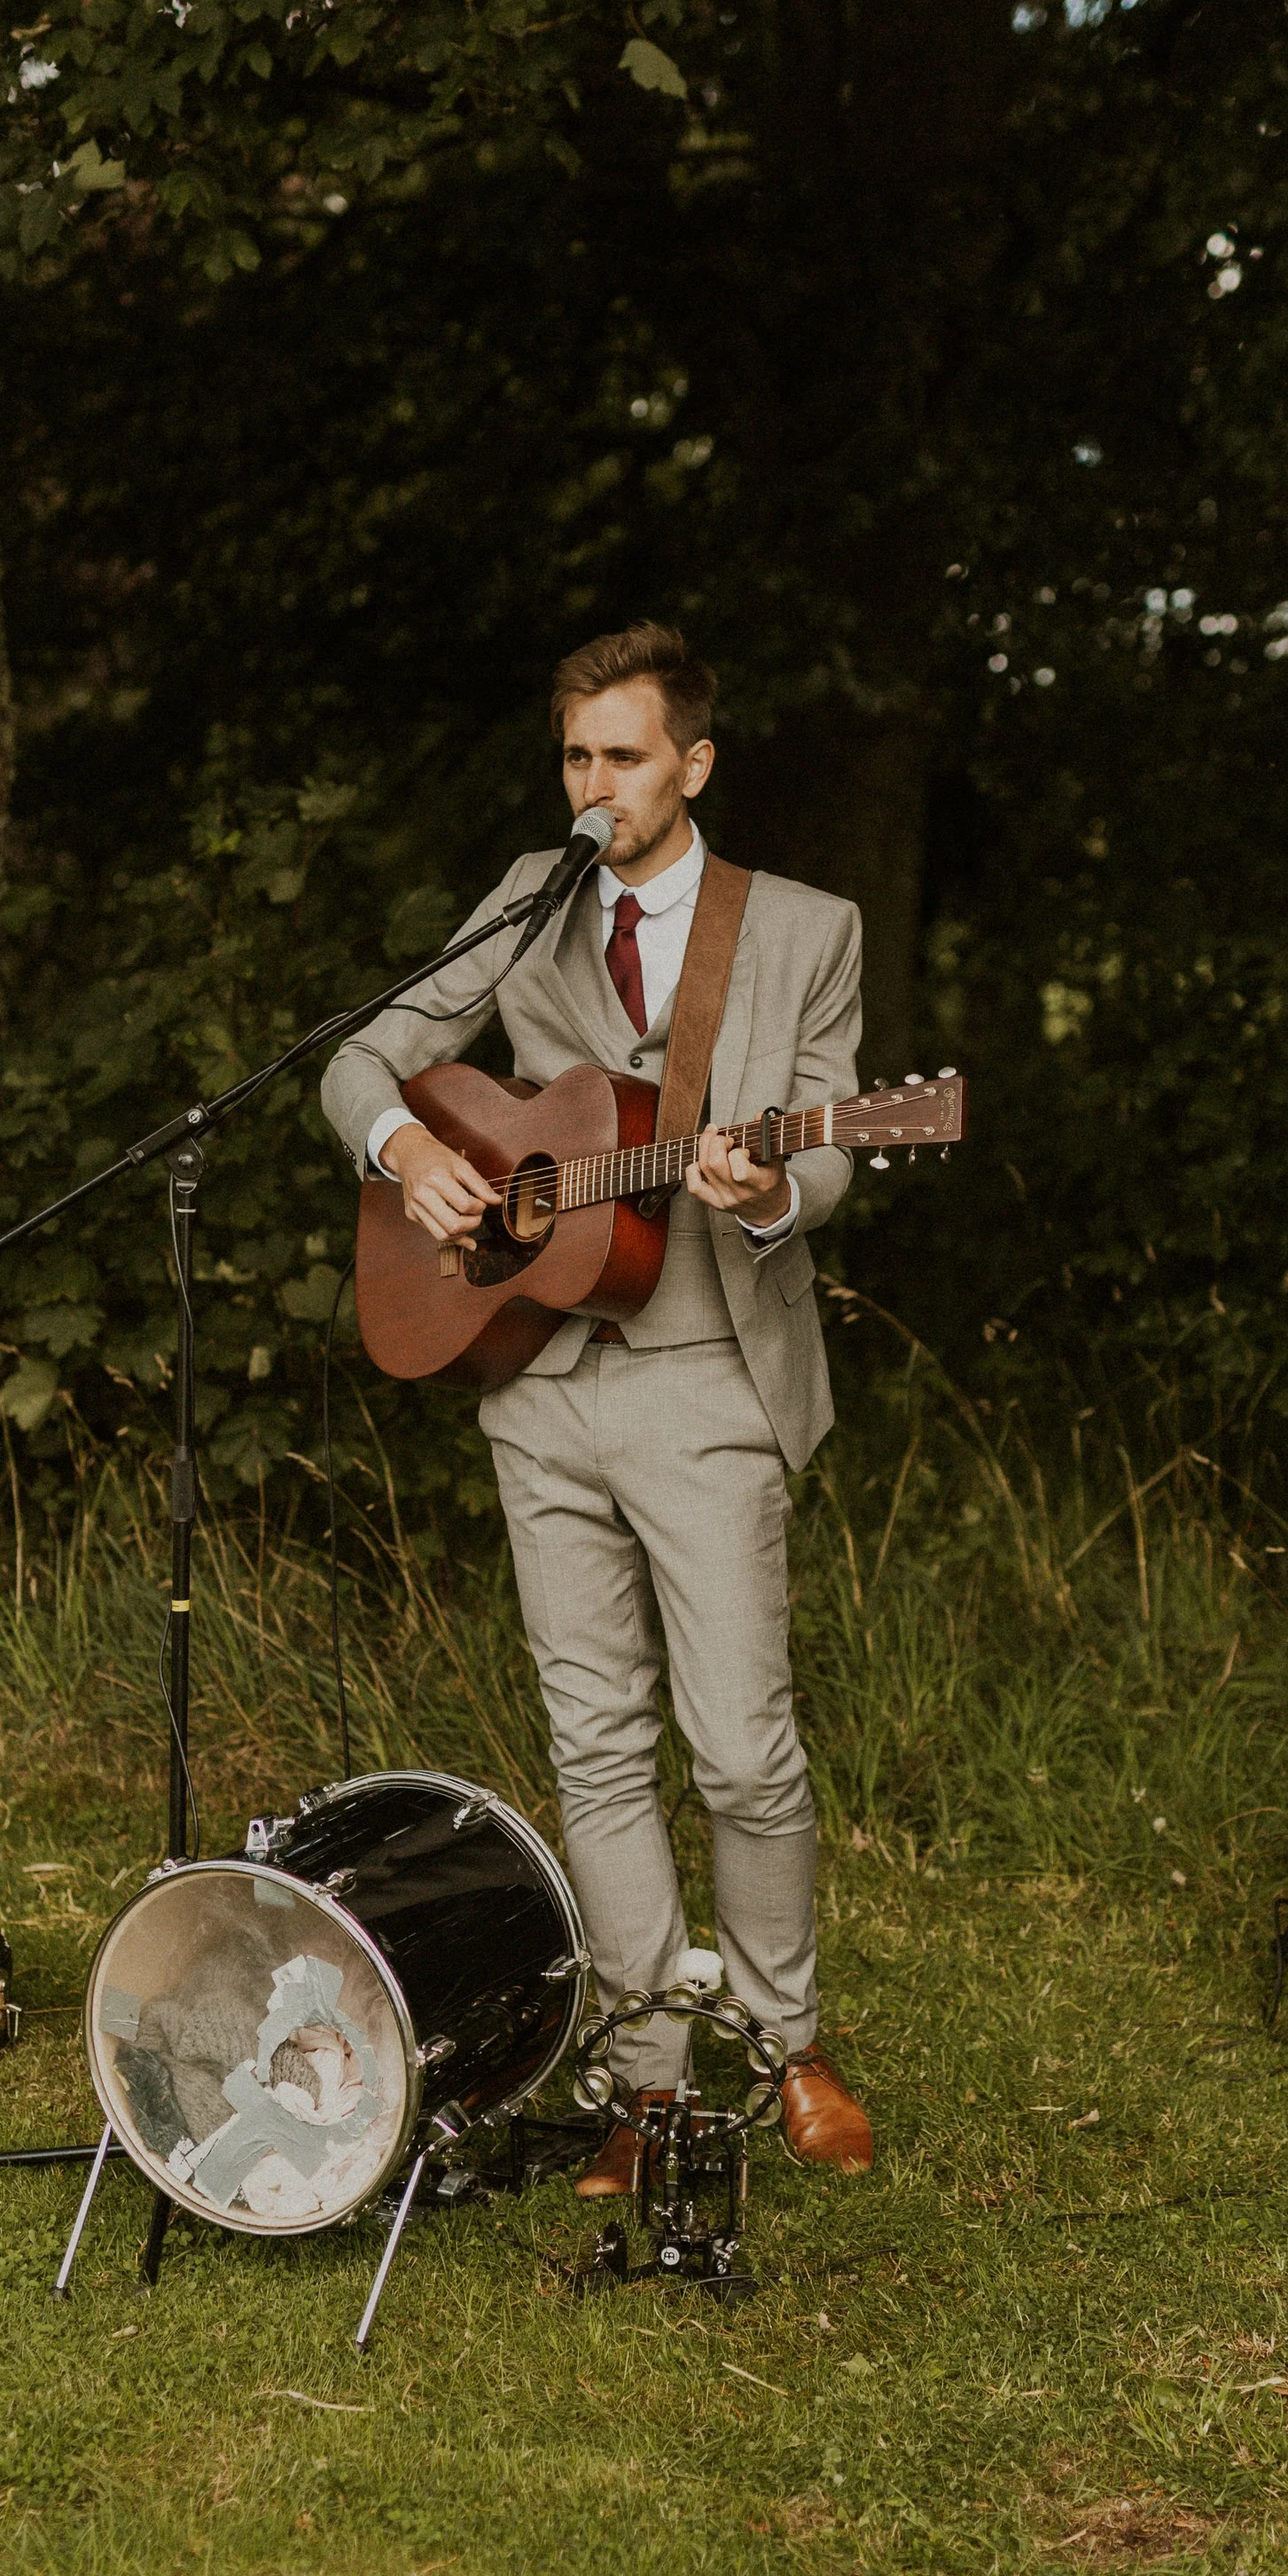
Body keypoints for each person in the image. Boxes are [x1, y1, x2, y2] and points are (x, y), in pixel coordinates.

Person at [321, 621, 872, 2187]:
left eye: (623, 757)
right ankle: (645, 2080)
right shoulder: (530, 895)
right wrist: (408, 1153)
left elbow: (829, 1146)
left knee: (742, 1748)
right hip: (538, 1374)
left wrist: (768, 1182)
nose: (594, 784)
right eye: (576, 755)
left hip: (707, 1377)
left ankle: (783, 2041)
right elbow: (365, 1060)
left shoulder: (802, 928)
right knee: (595, 1746)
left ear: (692, 766)